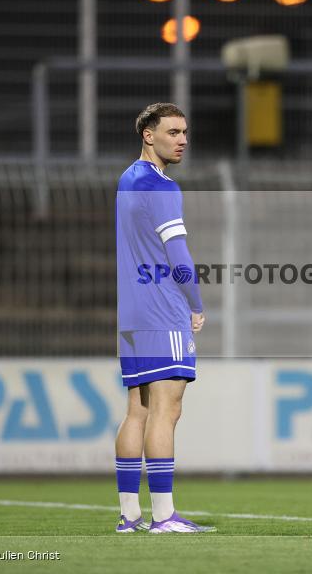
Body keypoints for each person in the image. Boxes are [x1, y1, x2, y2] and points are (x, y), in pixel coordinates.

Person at [114, 102, 214, 533]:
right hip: (162, 309)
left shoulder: (127, 179)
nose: (183, 140)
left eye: (185, 132)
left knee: (137, 411)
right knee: (166, 411)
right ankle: (164, 516)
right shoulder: (162, 187)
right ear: (148, 135)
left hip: (132, 314)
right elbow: (177, 255)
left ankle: (130, 515)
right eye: (173, 132)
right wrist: (195, 302)